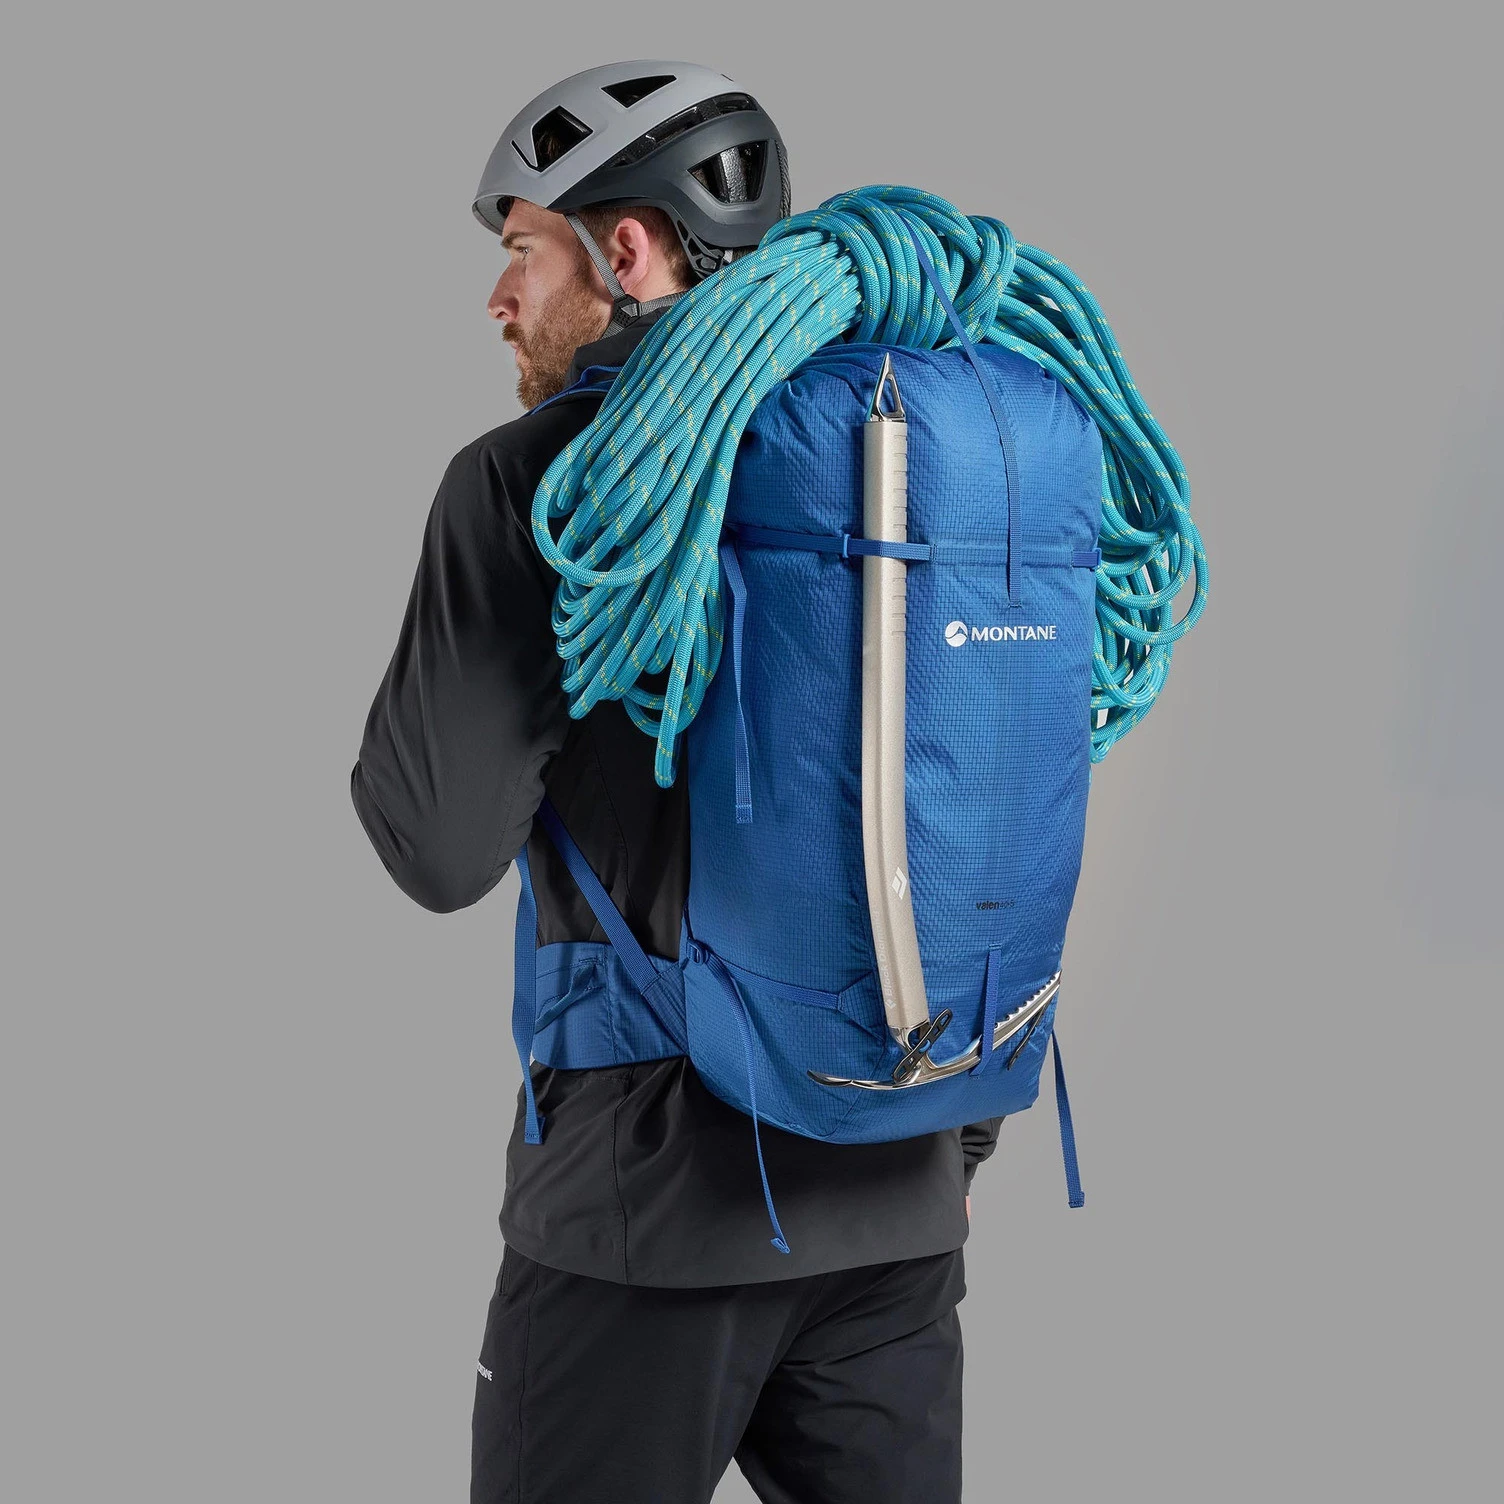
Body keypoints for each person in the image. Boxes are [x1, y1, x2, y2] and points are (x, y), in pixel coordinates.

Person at [350, 60, 1004, 1504]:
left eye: (526, 250)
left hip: (643, 1215)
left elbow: (435, 848)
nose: (499, 298)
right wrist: (951, 1149)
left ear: (629, 249)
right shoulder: (922, 458)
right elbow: (988, 803)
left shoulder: (538, 483)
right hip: (901, 1198)